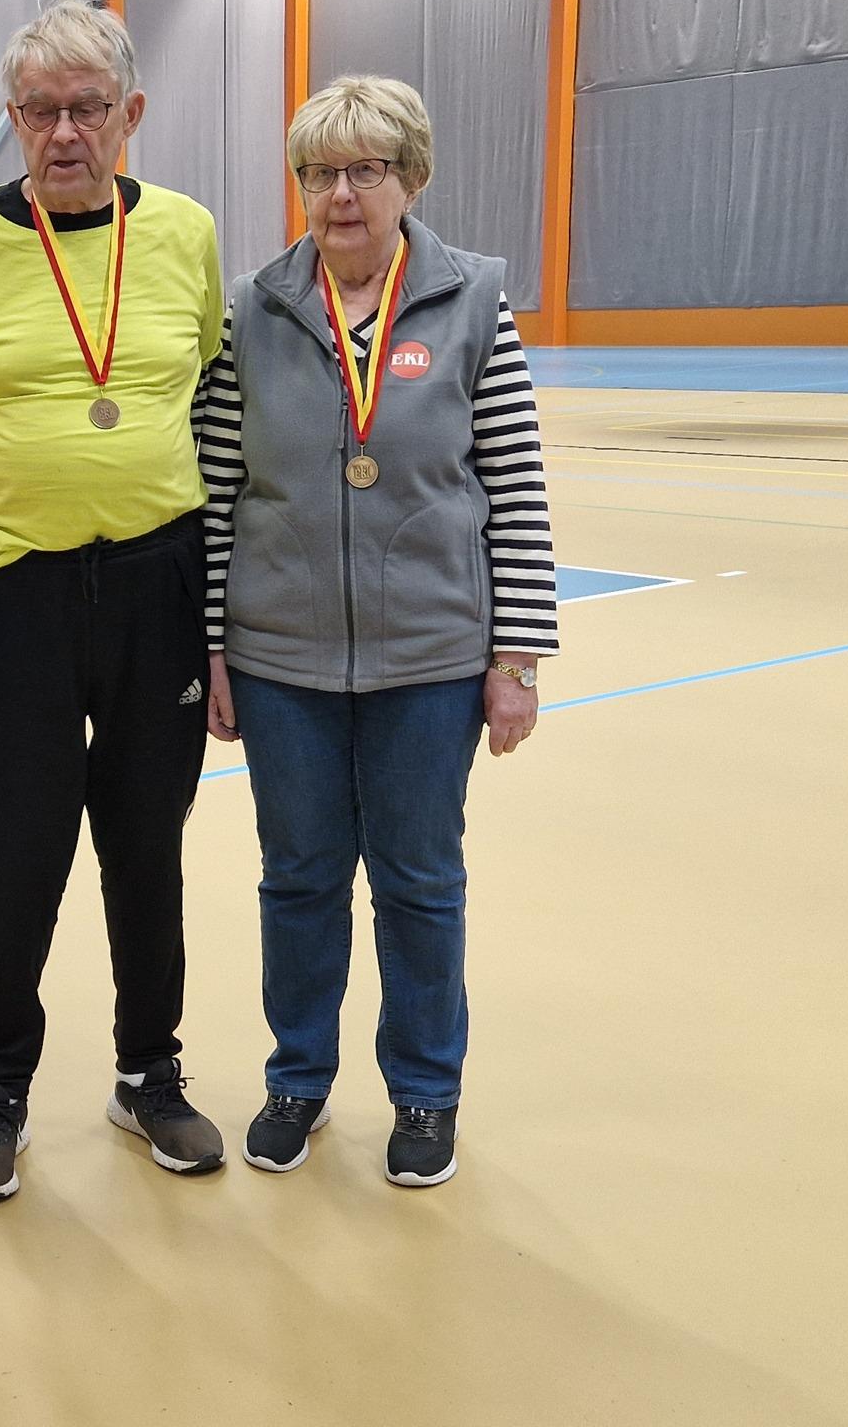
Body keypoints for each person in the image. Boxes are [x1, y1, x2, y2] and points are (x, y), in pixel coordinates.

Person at [199, 74, 559, 1188]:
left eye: (365, 170)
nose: (340, 195)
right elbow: (217, 488)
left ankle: (424, 1094)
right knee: (298, 877)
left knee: (418, 882)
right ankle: (297, 1079)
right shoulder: (252, 309)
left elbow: (512, 486)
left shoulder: (471, 301)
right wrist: (211, 645)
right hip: (279, 658)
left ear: (411, 178)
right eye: (319, 172)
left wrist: (515, 658)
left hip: (430, 659)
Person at [0, 0, 227, 1202]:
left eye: (85, 108)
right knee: (24, 860)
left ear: (128, 112)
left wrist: (204, 602)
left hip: (156, 587)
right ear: (13, 118)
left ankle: (148, 1073)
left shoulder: (184, 233)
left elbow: (209, 404)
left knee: (147, 852)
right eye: (37, 111)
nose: (62, 133)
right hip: (16, 599)